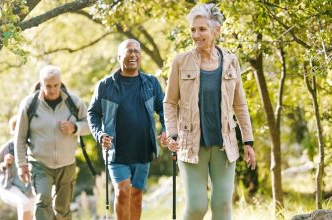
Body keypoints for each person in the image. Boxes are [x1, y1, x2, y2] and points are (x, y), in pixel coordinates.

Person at [163, 3, 257, 220]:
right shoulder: (181, 61)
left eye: (202, 29)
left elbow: (240, 105)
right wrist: (172, 133)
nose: (196, 35)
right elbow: (169, 102)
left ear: (217, 30)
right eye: (193, 30)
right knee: (197, 206)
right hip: (190, 144)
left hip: (225, 145)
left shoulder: (231, 61)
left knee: (222, 205)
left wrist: (248, 141)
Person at [87, 39, 166, 220]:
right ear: (119, 56)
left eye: (136, 51)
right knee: (123, 191)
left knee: (136, 196)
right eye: (128, 51)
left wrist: (165, 129)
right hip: (116, 150)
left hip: (143, 148)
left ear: (140, 56)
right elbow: (92, 114)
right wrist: (100, 135)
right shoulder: (105, 85)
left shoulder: (151, 83)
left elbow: (163, 109)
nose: (133, 55)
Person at [14, 65, 90, 220]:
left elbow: (90, 125)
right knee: (43, 201)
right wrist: (21, 164)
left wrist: (75, 127)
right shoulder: (29, 105)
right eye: (48, 86)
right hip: (40, 164)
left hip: (67, 163)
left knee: (62, 208)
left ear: (60, 83)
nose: (53, 90)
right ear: (41, 84)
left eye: (56, 85)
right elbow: (20, 137)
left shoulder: (74, 102)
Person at [0, 115, 35, 220]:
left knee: (35, 212)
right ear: (13, 132)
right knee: (24, 203)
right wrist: (4, 164)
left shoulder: (33, 147)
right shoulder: (7, 148)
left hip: (29, 189)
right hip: (9, 187)